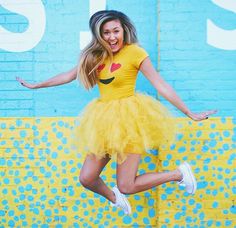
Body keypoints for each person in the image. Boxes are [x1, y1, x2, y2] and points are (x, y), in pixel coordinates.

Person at [17, 10, 216, 215]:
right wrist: (38, 85)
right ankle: (114, 198)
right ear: (98, 35)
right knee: (87, 178)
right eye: (106, 32)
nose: (112, 37)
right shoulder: (96, 56)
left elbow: (160, 85)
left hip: (129, 121)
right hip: (104, 122)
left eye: (116, 31)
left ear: (124, 30)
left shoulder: (135, 53)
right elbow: (69, 75)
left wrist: (188, 112)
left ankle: (178, 174)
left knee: (127, 185)